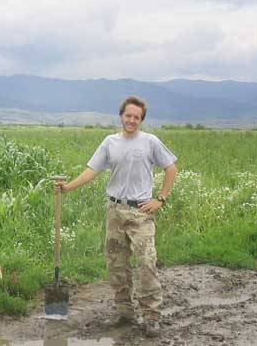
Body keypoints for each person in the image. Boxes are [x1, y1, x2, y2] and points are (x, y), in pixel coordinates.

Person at [54, 95, 177, 337]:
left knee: (146, 263)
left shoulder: (150, 142)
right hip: (115, 211)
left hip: (141, 213)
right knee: (116, 264)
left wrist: (160, 199)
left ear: (141, 120)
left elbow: (171, 167)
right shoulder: (110, 142)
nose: (132, 120)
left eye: (137, 117)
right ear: (121, 116)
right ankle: (125, 312)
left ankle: (151, 316)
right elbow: (92, 170)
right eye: (128, 115)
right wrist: (68, 188)